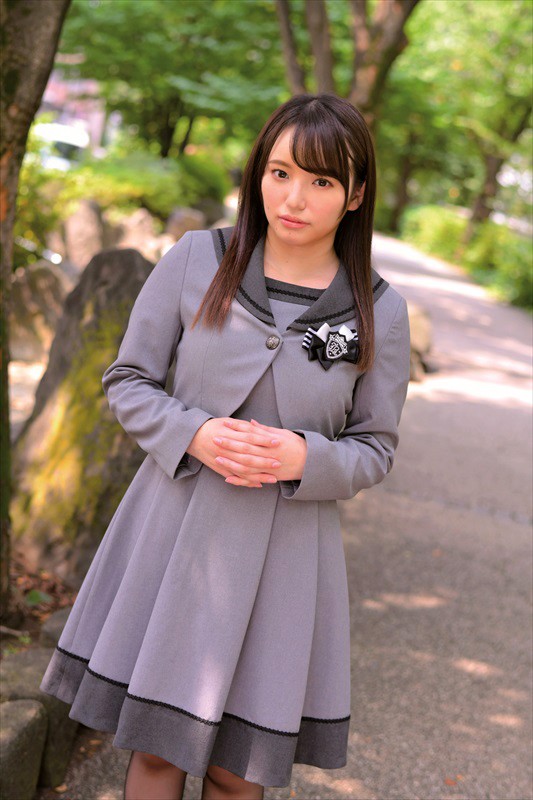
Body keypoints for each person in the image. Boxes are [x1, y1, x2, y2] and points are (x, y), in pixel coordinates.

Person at [39, 92, 411, 800]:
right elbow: (128, 380)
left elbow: (375, 446)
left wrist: (308, 459)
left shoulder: (379, 310)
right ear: (258, 172)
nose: (294, 198)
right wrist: (196, 433)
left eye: (321, 181)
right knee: (157, 754)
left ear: (357, 194)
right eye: (280, 172)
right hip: (174, 538)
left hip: (285, 563)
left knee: (238, 773)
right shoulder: (195, 259)